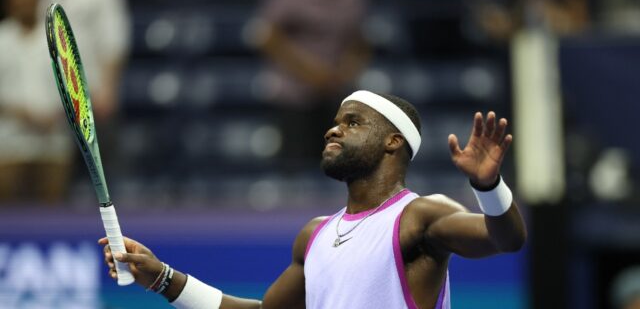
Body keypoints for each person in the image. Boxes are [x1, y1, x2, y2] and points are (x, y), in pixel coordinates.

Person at [101, 91, 527, 309]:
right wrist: (161, 278)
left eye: (353, 122)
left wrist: (489, 188)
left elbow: (505, 239)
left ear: (392, 142)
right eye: (335, 122)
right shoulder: (315, 235)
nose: (333, 130)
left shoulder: (419, 215)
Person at [254, 0, 369, 163]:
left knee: (336, 165)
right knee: (295, 166)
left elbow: (359, 42)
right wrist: (310, 73)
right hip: (294, 97)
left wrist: (346, 71)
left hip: (335, 96)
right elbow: (267, 37)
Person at [0, 0, 73, 204]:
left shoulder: (57, 40)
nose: (24, 4)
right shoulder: (2, 38)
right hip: (9, 145)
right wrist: (18, 113)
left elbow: (77, 86)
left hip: (53, 144)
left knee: (53, 212)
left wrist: (58, 113)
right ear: (9, 2)